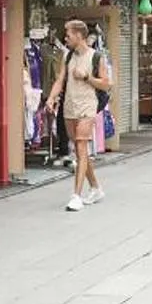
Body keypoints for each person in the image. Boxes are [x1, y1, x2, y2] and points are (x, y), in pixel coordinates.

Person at [42, 18, 111, 211]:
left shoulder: (97, 56)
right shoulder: (68, 56)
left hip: (87, 107)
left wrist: (87, 77)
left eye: (68, 34)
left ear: (79, 35)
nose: (66, 38)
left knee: (80, 147)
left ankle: (76, 195)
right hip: (69, 107)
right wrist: (51, 98)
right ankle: (96, 188)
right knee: (80, 151)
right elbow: (60, 80)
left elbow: (106, 84)